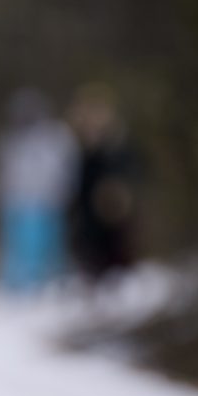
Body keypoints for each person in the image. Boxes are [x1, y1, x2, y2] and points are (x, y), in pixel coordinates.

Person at [0, 88, 78, 292]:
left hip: (45, 202)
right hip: (14, 202)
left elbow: (65, 169)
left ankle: (45, 283)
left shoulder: (54, 137)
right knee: (16, 248)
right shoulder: (9, 139)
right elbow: (1, 171)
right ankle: (17, 287)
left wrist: (62, 193)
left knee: (45, 246)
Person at [66, 83, 138, 278]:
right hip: (86, 204)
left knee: (114, 241)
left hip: (110, 202)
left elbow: (128, 167)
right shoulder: (77, 142)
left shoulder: (115, 141)